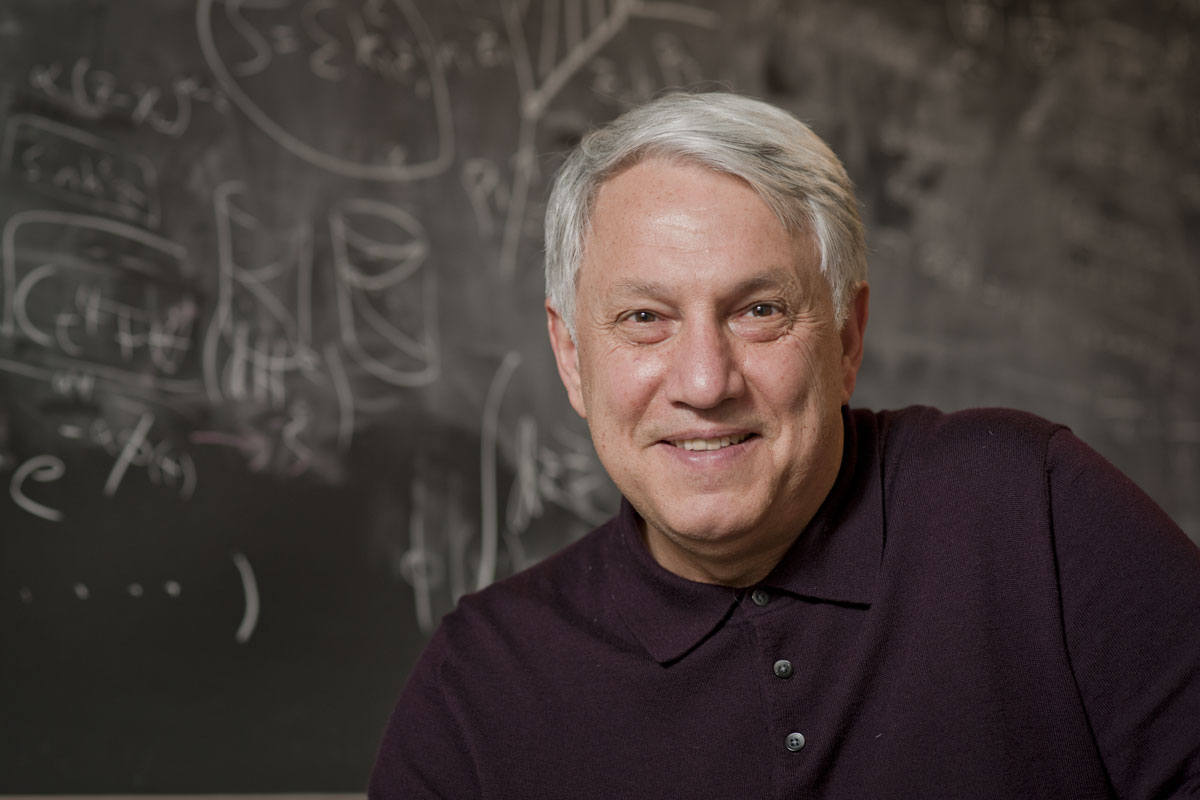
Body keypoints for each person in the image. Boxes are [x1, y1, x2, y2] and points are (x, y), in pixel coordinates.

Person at [370, 92, 1200, 799]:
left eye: (758, 310)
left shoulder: (1032, 509)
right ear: (572, 358)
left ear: (846, 338)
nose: (703, 381)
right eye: (643, 319)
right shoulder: (476, 693)